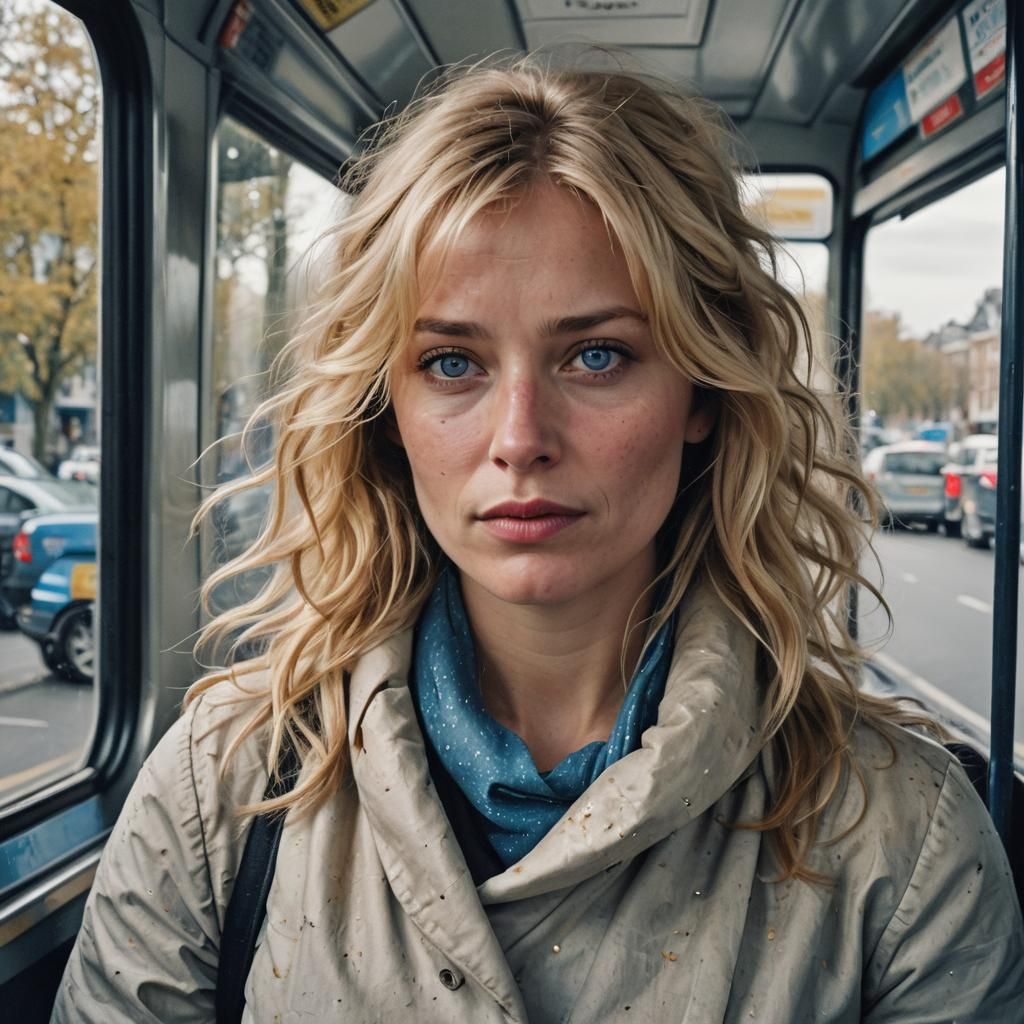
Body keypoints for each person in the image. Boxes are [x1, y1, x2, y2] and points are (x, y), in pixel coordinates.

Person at [53, 58, 1024, 1023]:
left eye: (596, 355)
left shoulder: (899, 829)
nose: (520, 438)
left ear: (702, 391)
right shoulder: (221, 783)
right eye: (451, 362)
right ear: (385, 406)